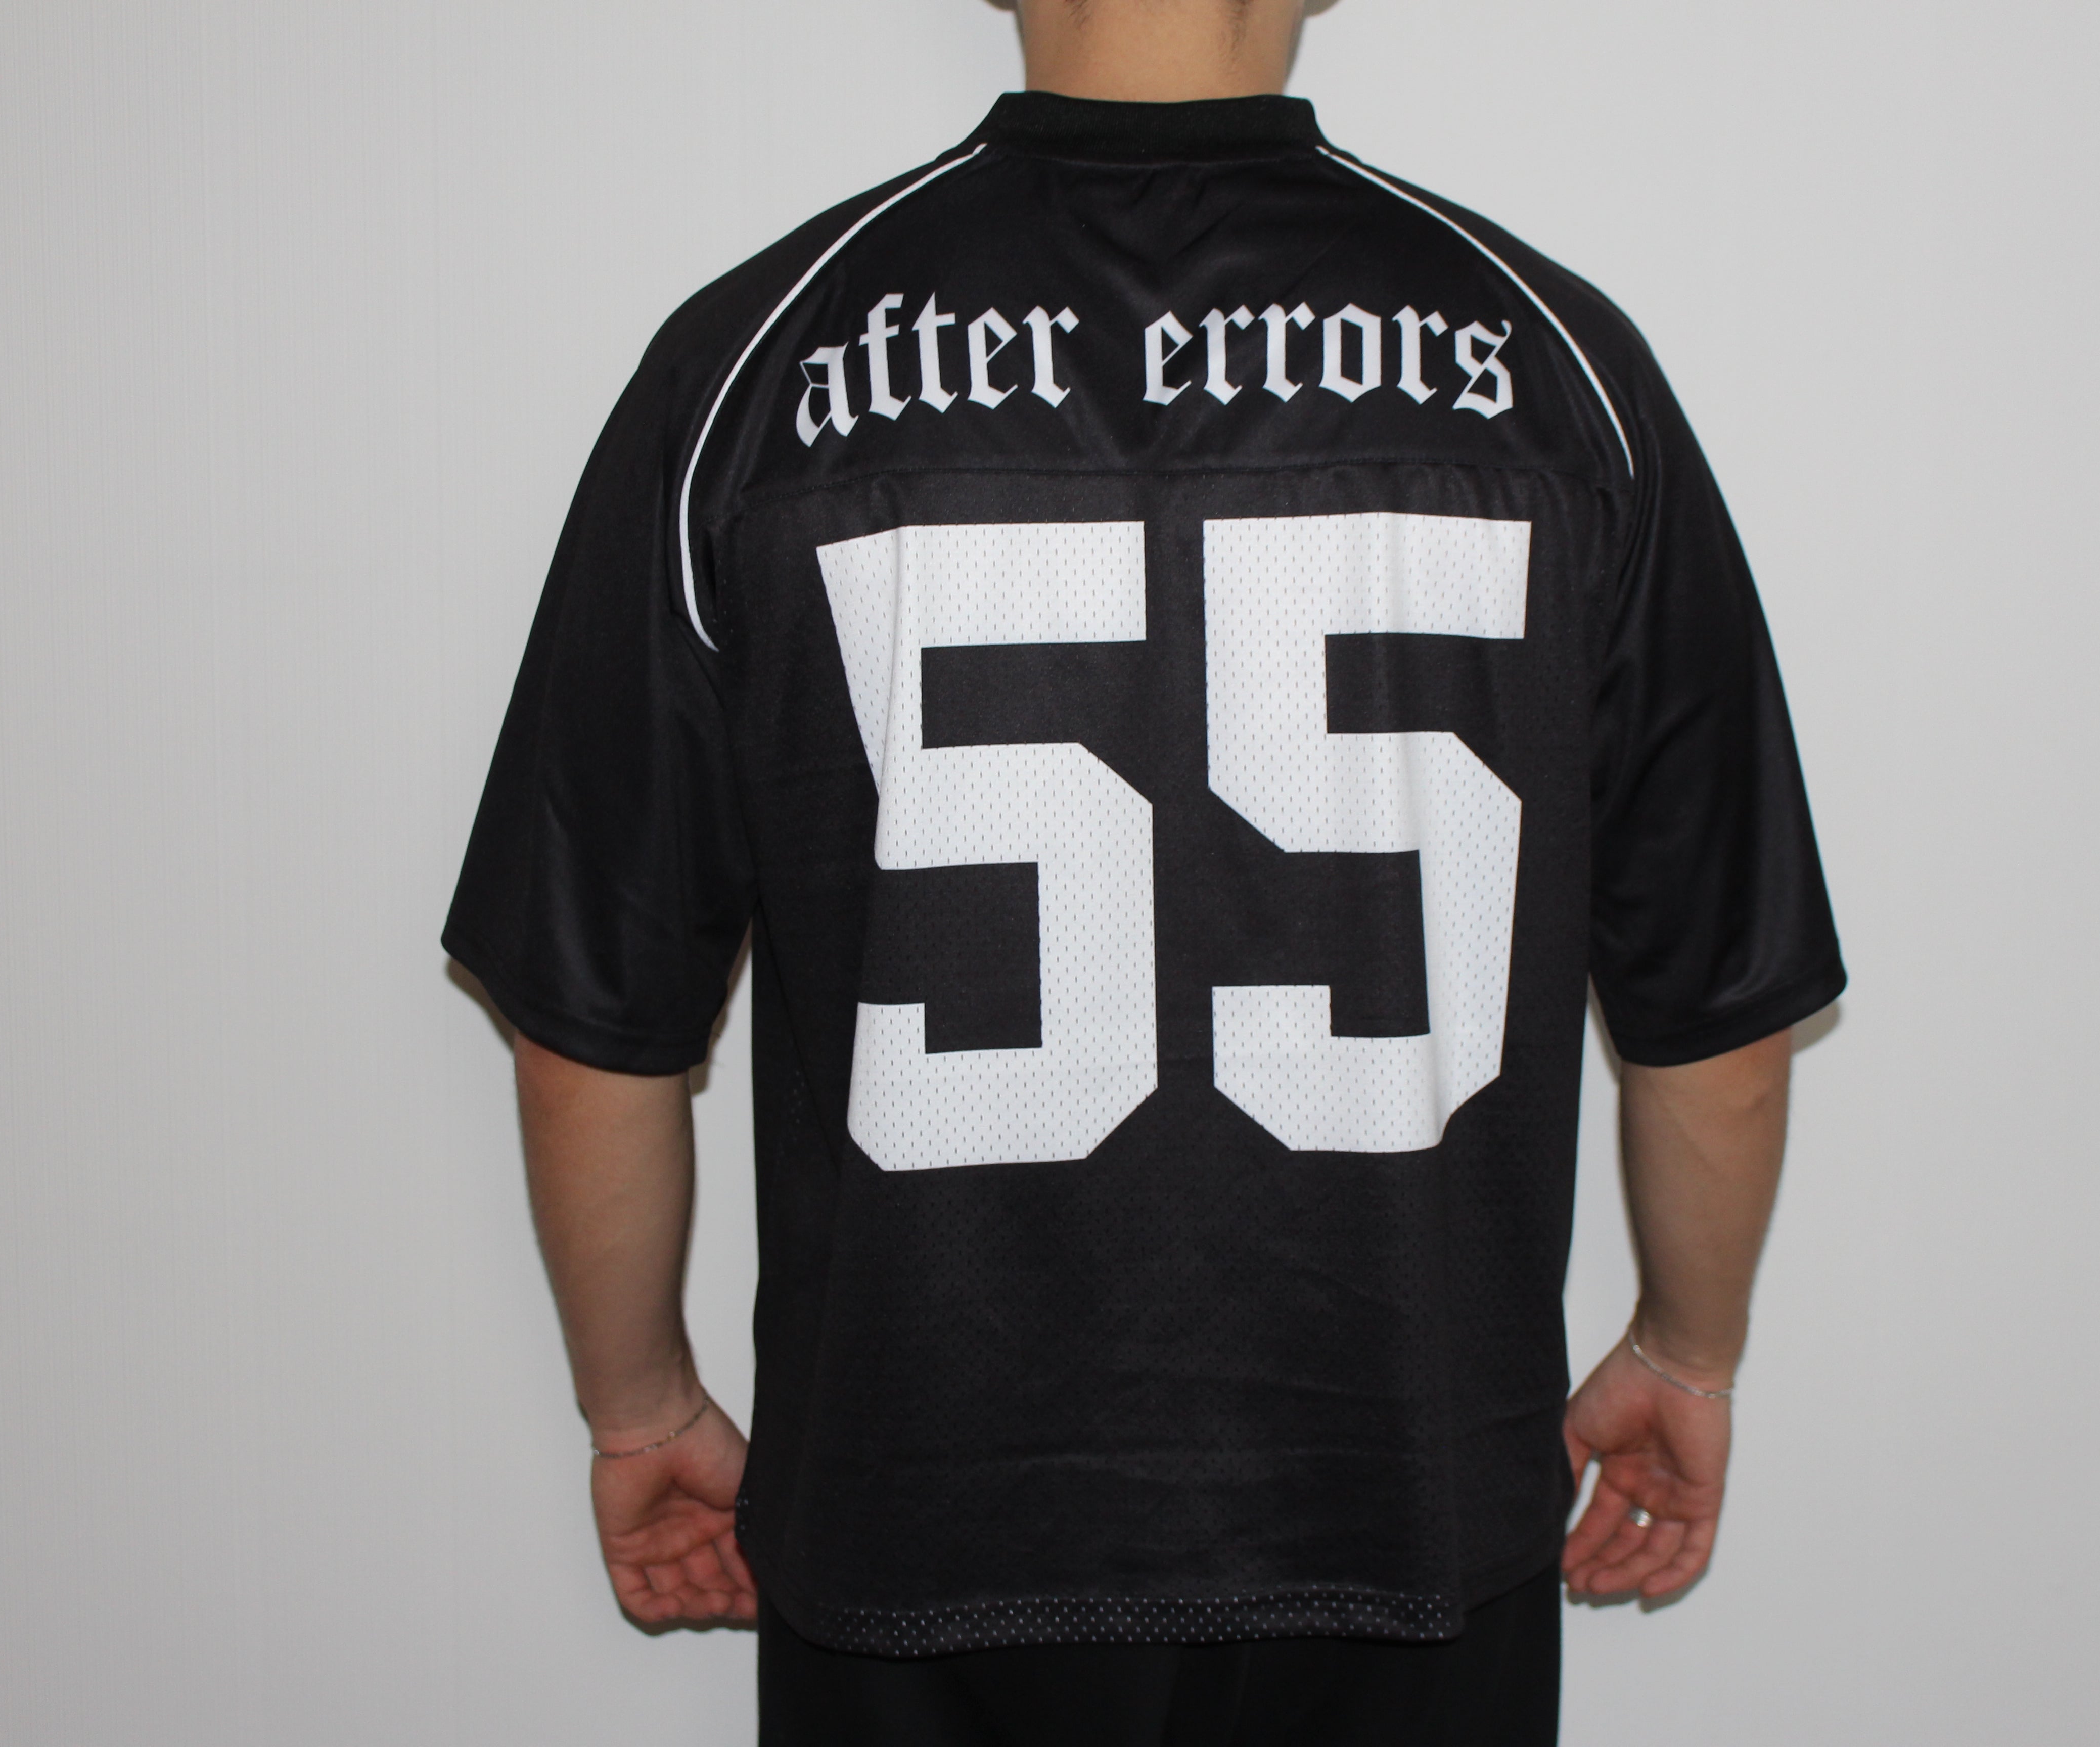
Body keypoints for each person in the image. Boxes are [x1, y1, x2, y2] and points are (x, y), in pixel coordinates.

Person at [443, 0, 1843, 1739]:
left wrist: (641, 1407)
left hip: (918, 1527)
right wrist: (1689, 1351)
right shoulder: (1560, 375)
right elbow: (1718, 1012)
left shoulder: (754, 370)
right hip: (1397, 1515)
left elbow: (595, 1017)